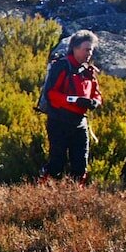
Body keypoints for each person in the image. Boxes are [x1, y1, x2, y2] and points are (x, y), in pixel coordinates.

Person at [43, 30, 102, 183]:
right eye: (86, 49)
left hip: (80, 123)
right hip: (59, 122)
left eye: (91, 49)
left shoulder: (88, 71)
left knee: (80, 165)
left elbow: (97, 93)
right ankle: (43, 195)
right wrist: (74, 100)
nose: (89, 53)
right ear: (75, 48)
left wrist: (95, 101)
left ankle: (74, 198)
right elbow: (50, 94)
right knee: (57, 163)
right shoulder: (62, 66)